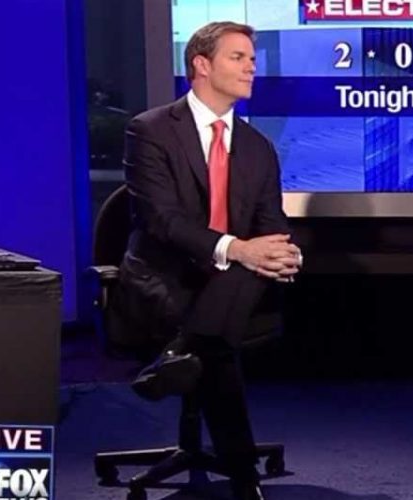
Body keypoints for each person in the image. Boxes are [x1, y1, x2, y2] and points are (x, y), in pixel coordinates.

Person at [119, 21, 300, 500]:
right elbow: (162, 220)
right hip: (168, 275)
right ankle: (243, 478)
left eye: (252, 60)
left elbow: (271, 220)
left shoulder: (258, 147)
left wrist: (283, 248)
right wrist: (236, 248)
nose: (251, 69)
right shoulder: (151, 130)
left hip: (234, 281)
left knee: (248, 269)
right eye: (237, 58)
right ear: (201, 65)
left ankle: (182, 353)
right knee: (218, 345)